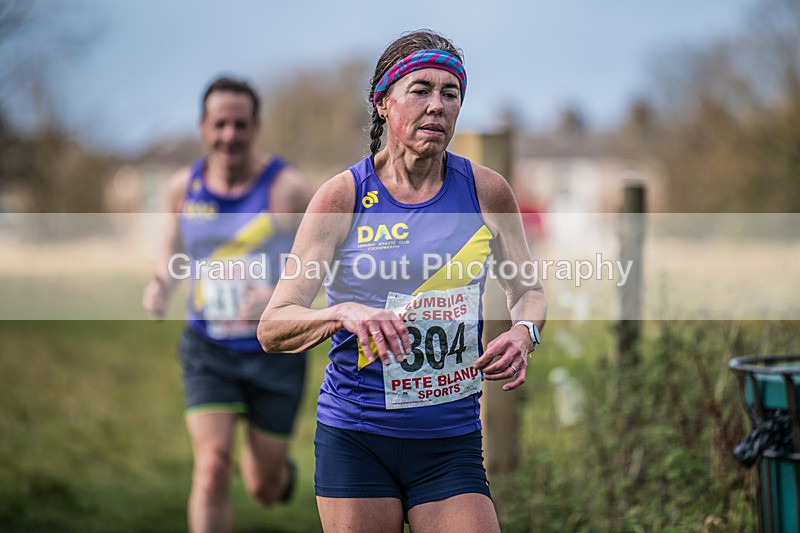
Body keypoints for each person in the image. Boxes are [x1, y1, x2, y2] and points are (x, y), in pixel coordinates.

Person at [258, 30, 546, 532]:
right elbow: (274, 325)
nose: (437, 106)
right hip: (357, 437)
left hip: (450, 441)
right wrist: (340, 312)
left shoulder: (485, 190)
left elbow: (527, 290)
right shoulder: (341, 196)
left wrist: (525, 332)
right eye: (420, 90)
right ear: (383, 102)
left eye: (450, 94)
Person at [142, 75, 313, 533]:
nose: (229, 136)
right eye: (220, 124)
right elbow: (172, 249)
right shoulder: (183, 187)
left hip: (273, 353)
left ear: (255, 126)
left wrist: (279, 296)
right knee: (212, 466)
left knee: (263, 488)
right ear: (203, 126)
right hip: (208, 349)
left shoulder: (289, 190)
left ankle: (278, 478)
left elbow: (329, 260)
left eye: (240, 125)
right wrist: (160, 284)